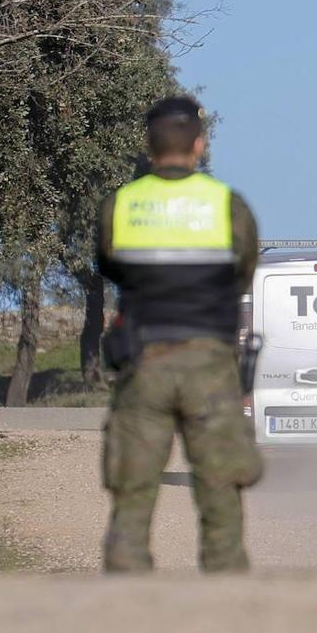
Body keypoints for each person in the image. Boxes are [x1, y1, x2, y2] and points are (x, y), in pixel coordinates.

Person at [96, 95, 262, 573]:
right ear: (199, 145)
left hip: (143, 363)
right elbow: (243, 272)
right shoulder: (227, 207)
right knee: (219, 483)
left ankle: (128, 594)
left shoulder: (120, 206)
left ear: (149, 146)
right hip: (210, 363)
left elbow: (109, 265)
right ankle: (225, 591)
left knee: (132, 486)